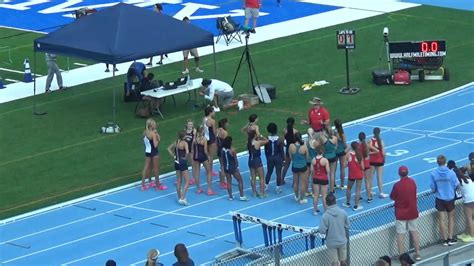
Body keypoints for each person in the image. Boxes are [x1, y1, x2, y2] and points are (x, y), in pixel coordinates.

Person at [390, 166, 421, 261]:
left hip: (401, 213)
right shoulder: (412, 182)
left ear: (399, 174)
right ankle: (418, 253)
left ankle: (402, 257)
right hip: (412, 211)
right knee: (414, 232)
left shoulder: (397, 185)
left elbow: (392, 196)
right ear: (407, 172)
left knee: (400, 234)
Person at [430, 154, 460, 246]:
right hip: (450, 198)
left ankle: (444, 239)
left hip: (440, 198)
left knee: (442, 219)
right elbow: (456, 184)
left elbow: (433, 188)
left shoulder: (433, 173)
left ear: (437, 162)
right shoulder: (451, 173)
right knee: (451, 218)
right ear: (445, 162)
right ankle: (450, 238)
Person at [318, 193, 349, 266]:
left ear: (326, 203)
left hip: (331, 243)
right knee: (343, 262)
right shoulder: (343, 212)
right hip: (342, 241)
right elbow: (347, 225)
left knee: (334, 263)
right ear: (335, 201)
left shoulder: (325, 216)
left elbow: (322, 230)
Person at [450, 158, 474, 242]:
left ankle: (472, 235)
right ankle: (467, 232)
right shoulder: (468, 177)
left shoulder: (457, 181)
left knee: (469, 218)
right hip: (472, 198)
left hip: (469, 200)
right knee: (470, 218)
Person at [141, 118, 167, 191]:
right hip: (154, 152)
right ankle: (158, 185)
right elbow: (155, 145)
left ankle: (143, 185)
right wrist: (158, 138)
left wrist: (156, 133)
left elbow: (145, 142)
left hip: (147, 151)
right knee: (156, 169)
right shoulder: (153, 133)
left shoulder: (144, 132)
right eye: (154, 123)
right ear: (151, 125)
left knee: (146, 168)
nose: (156, 124)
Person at [168, 130, 190, 206]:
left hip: (176, 162)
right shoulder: (185, 143)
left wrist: (174, 156)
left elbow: (169, 149)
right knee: (187, 181)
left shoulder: (176, 142)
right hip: (182, 162)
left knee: (179, 180)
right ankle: (183, 198)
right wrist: (186, 158)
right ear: (183, 136)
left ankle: (179, 197)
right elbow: (187, 152)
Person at [222, 136, 248, 201]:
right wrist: (237, 167)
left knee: (228, 181)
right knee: (240, 180)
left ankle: (230, 196)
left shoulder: (222, 150)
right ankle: (242, 196)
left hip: (226, 168)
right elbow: (235, 160)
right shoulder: (232, 150)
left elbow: (223, 160)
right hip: (233, 167)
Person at [193, 126, 215, 195]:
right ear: (202, 131)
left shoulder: (195, 139)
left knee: (197, 172)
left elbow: (192, 148)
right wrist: (208, 157)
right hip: (203, 156)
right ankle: (209, 189)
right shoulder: (204, 139)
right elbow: (205, 150)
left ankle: (198, 189)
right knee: (209, 171)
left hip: (196, 157)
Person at [343, 142, 364, 211]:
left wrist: (349, 164)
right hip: (359, 174)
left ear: (351, 147)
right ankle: (356, 206)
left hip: (351, 175)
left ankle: (347, 203)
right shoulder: (359, 155)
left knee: (349, 188)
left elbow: (344, 165)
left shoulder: (348, 155)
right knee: (358, 190)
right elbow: (363, 167)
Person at [264, 122, 285, 194]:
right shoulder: (280, 140)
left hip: (270, 157)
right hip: (278, 158)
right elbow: (281, 150)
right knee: (278, 173)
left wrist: (267, 157)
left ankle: (266, 186)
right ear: (276, 130)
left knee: (269, 172)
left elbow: (266, 150)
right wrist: (284, 159)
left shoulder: (266, 139)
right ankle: (278, 188)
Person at [289, 132, 309, 204]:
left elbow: (291, 157)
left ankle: (297, 196)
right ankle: (302, 198)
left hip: (294, 166)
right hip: (303, 166)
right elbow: (307, 158)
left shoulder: (291, 146)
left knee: (295, 182)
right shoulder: (304, 147)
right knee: (303, 183)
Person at [248, 129, 268, 198]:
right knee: (261, 177)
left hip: (250, 160)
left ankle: (254, 193)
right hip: (257, 160)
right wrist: (261, 136)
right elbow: (267, 141)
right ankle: (262, 193)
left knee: (253, 177)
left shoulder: (248, 142)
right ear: (254, 135)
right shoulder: (258, 142)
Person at [369, 127, 388, 199]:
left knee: (370, 177)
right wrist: (384, 159)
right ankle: (381, 193)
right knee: (379, 177)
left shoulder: (370, 141)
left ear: (373, 132)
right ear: (379, 133)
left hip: (372, 161)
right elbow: (383, 153)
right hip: (379, 161)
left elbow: (368, 152)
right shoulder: (381, 141)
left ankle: (370, 191)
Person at [202, 106, 219, 185]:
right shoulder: (212, 121)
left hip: (206, 138)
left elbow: (203, 129)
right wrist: (217, 135)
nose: (214, 113)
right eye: (213, 111)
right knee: (211, 156)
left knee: (207, 155)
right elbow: (214, 132)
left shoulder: (204, 119)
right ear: (210, 112)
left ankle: (207, 170)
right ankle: (210, 171)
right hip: (211, 139)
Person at [312, 146, 330, 215]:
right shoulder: (325, 160)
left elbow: (312, 170)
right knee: (324, 195)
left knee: (316, 195)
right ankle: (325, 211)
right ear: (323, 151)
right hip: (323, 178)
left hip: (316, 178)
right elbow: (328, 171)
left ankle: (315, 210)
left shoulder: (313, 159)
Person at [321, 127, 338, 193]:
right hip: (333, 156)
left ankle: (324, 188)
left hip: (325, 157)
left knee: (324, 173)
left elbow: (321, 148)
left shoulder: (322, 138)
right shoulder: (335, 138)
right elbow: (336, 148)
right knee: (332, 173)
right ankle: (331, 189)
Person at [358, 132, 373, 202]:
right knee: (367, 181)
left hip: (360, 164)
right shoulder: (367, 145)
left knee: (359, 181)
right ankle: (369, 197)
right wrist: (369, 154)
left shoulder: (358, 146)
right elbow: (376, 150)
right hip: (367, 164)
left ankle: (359, 195)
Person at [282, 117, 298, 184]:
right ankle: (294, 182)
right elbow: (298, 141)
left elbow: (283, 140)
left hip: (288, 148)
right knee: (295, 165)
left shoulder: (285, 131)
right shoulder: (296, 131)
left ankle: (281, 179)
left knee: (286, 165)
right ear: (294, 123)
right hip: (294, 148)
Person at [334, 119, 348, 189]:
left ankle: (334, 184)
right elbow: (345, 144)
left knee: (334, 168)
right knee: (342, 168)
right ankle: (342, 185)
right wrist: (348, 148)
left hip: (335, 151)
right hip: (341, 151)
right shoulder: (342, 134)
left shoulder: (334, 133)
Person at [216, 118, 229, 190]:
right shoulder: (224, 132)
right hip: (223, 150)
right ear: (224, 124)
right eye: (227, 123)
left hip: (218, 148)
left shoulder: (217, 130)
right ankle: (223, 182)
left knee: (221, 166)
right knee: (224, 166)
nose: (228, 124)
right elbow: (227, 142)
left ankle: (221, 181)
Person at [184, 119, 197, 186]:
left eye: (191, 124)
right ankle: (187, 178)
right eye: (189, 124)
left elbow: (194, 140)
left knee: (192, 164)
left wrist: (192, 149)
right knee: (185, 163)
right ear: (186, 125)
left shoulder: (194, 131)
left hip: (191, 149)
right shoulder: (184, 131)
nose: (190, 125)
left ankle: (193, 178)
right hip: (185, 149)